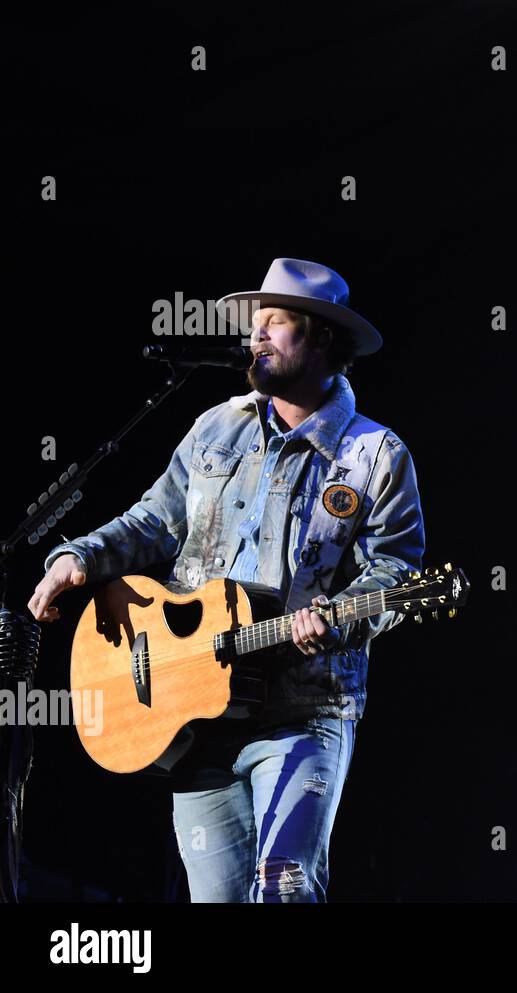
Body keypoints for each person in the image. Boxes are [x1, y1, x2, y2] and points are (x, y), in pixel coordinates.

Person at [27, 258, 425, 902]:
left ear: (322, 338)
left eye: (275, 324)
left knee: (285, 888)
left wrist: (338, 614)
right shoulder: (218, 425)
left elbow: (396, 570)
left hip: (305, 711)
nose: (255, 337)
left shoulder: (375, 455)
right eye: (254, 325)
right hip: (195, 711)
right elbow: (156, 520)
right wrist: (81, 556)